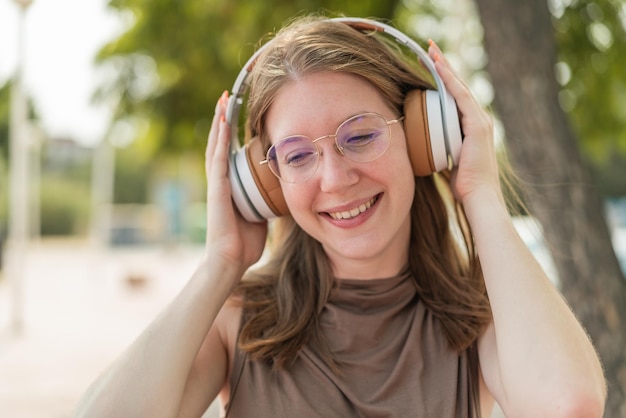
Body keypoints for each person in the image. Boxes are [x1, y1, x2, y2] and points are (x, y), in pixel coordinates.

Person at [74, 15, 606, 418]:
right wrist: (221, 262)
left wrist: (481, 195)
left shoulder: (481, 319)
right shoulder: (237, 318)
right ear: (266, 185)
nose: (334, 179)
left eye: (361, 135)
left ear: (426, 139)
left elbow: (569, 404)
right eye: (298, 156)